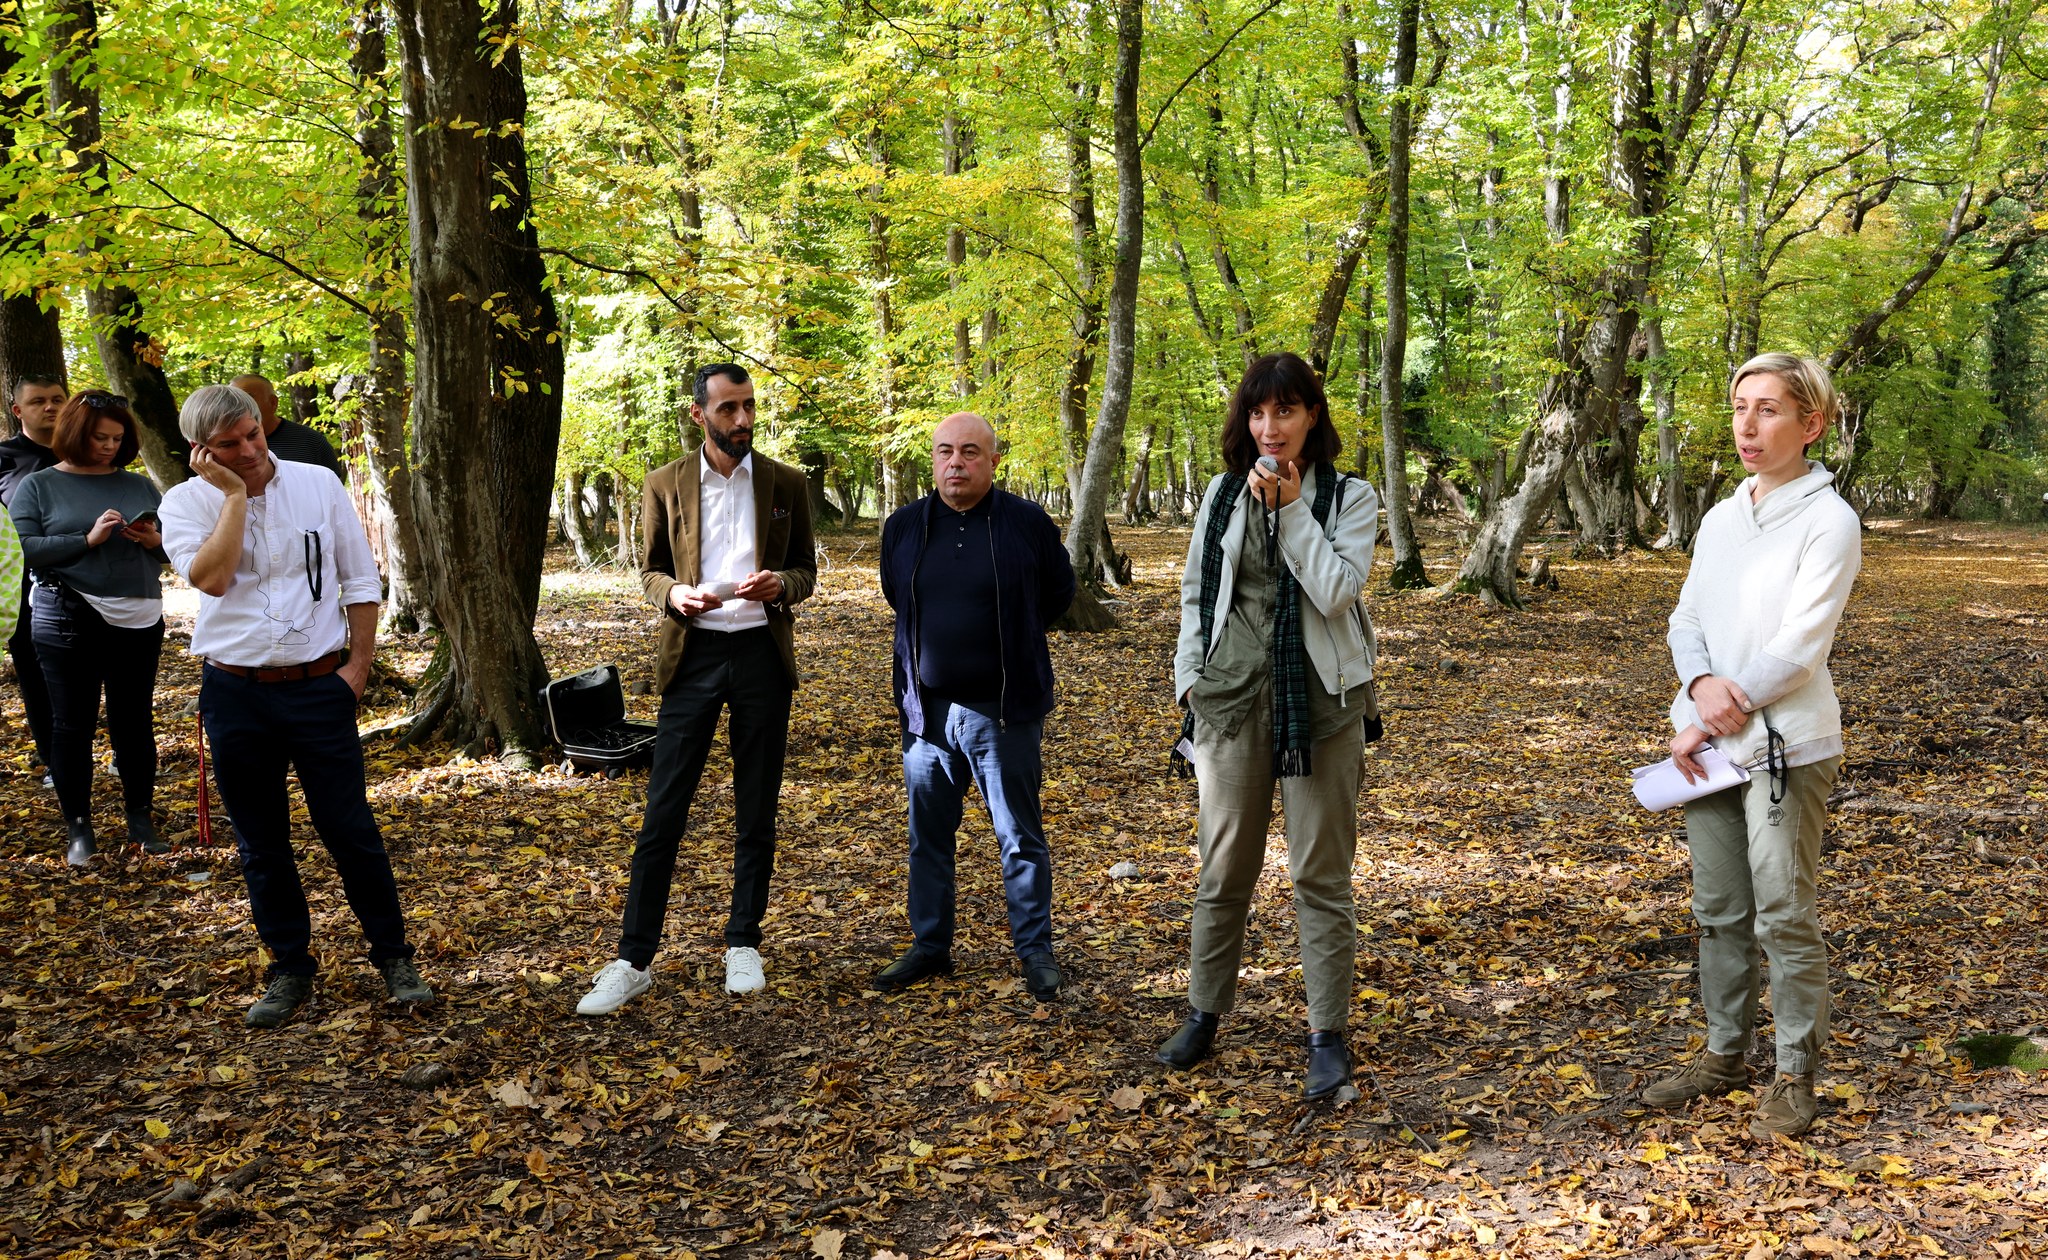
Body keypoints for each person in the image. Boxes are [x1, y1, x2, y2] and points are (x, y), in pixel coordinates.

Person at [158, 384, 432, 1028]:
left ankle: (394, 956)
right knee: (261, 841)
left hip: (318, 688)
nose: (250, 450)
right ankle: (290, 966)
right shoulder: (184, 502)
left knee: (350, 830)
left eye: (253, 434)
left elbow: (359, 580)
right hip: (235, 692)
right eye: (229, 444)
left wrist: (356, 670)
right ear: (200, 450)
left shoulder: (317, 483)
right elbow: (211, 578)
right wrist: (233, 497)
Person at [1643, 353, 1861, 1139]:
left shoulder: (1830, 521)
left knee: (1783, 913)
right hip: (1706, 751)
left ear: (1812, 424)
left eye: (1768, 409)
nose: (1748, 424)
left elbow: (1800, 648)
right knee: (1719, 911)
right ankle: (1723, 1055)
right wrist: (1699, 683)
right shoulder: (1721, 517)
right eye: (1740, 407)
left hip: (1785, 749)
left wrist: (1709, 716)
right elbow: (1687, 617)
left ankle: (1795, 1074)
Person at [1157, 351, 1381, 1102]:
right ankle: (1203, 1013)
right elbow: (1197, 592)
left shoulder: (1350, 496)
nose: (1270, 426)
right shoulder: (1222, 493)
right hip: (1230, 697)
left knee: (1319, 875)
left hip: (1321, 703)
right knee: (1223, 869)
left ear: (1312, 415)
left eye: (1285, 410)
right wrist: (1190, 679)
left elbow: (1337, 590)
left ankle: (1326, 1036)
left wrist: (1289, 511)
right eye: (1258, 412)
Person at [577, 363, 817, 1015]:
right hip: (693, 657)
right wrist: (674, 595)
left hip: (762, 656)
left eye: (749, 406)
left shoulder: (786, 482)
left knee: (756, 806)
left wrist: (782, 586)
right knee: (664, 810)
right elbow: (651, 571)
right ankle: (632, 959)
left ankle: (743, 941)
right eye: (728, 409)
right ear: (698, 414)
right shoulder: (665, 483)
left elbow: (804, 570)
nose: (742, 420)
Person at [872, 412, 1076, 999]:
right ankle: (931, 945)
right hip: (927, 714)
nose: (955, 463)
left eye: (969, 452)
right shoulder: (904, 526)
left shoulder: (1026, 523)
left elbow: (1057, 594)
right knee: (928, 838)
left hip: (1004, 713)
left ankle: (1034, 950)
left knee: (1019, 838)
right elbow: (896, 594)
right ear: (933, 460)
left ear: (992, 461)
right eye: (945, 452)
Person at [8, 392, 168, 865]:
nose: (109, 447)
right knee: (72, 724)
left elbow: (177, 549)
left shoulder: (140, 485)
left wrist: (153, 540)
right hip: (66, 615)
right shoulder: (39, 486)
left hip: (139, 616)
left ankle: (141, 818)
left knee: (133, 720)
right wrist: (87, 538)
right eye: (100, 437)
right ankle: (79, 827)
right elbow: (21, 548)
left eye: (118, 439)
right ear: (76, 433)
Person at [2, 374, 66, 782]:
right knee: (36, 674)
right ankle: (54, 759)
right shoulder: (4, 458)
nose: (50, 406)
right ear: (17, 410)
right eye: (39, 400)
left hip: (89, 582)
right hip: (22, 588)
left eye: (57, 398)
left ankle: (121, 753)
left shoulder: (91, 450)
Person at [229, 373, 345, 480]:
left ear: (273, 403)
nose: (236, 408)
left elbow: (333, 486)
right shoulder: (223, 447)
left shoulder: (311, 442)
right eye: (231, 402)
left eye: (247, 400)